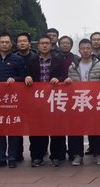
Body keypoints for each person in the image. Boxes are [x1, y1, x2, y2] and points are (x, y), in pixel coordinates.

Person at [25, 34, 70, 167]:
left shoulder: (58, 60)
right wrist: (27, 77)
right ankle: (37, 156)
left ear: (51, 45)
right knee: (37, 130)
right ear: (38, 46)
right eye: (42, 43)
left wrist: (59, 79)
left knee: (56, 129)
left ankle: (56, 156)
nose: (44, 45)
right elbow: (25, 75)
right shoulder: (32, 60)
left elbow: (65, 76)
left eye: (47, 43)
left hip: (54, 100)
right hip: (37, 101)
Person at [0, 32, 27, 168]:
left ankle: (12, 158)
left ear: (11, 44)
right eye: (2, 42)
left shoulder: (18, 60)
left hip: (13, 101)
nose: (4, 44)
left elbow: (23, 77)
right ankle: (1, 158)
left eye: (7, 42)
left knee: (13, 130)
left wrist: (15, 79)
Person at [67, 39, 100, 165]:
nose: (85, 50)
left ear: (92, 50)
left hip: (94, 101)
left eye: (88, 48)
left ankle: (98, 154)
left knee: (97, 129)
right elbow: (69, 84)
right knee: (76, 130)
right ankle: (78, 155)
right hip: (78, 102)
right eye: (83, 48)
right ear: (79, 50)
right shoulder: (73, 67)